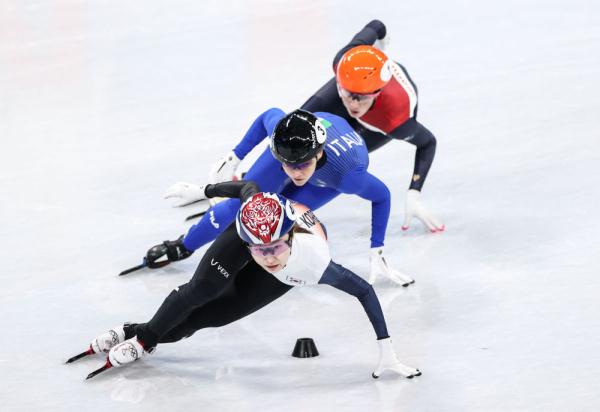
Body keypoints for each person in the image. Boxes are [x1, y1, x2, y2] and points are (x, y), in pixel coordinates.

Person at [76, 181, 422, 380]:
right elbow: (248, 188)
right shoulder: (253, 222)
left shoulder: (314, 261)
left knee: (206, 318)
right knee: (200, 291)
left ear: (290, 237)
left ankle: (130, 329)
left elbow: (364, 290)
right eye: (259, 251)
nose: (267, 257)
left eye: (274, 248)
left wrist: (386, 349)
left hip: (290, 266)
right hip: (248, 233)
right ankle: (141, 339)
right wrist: (203, 190)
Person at [209, 20, 444, 233]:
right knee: (294, 130)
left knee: (335, 160)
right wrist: (379, 47)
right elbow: (377, 25)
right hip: (359, 85)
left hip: (377, 123)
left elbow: (428, 143)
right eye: (347, 94)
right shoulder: (344, 61)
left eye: (359, 98)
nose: (352, 104)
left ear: (377, 93)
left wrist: (414, 192)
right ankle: (249, 178)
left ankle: (282, 194)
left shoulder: (395, 121)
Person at [158, 109, 413, 285]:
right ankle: (184, 245)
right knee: (239, 207)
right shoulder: (284, 133)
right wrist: (234, 157)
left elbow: (382, 196)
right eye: (288, 165)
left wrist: (376, 249)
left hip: (329, 176)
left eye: (302, 165)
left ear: (318, 154)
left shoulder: (347, 177)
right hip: (308, 141)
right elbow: (268, 115)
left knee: (280, 217)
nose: (295, 173)